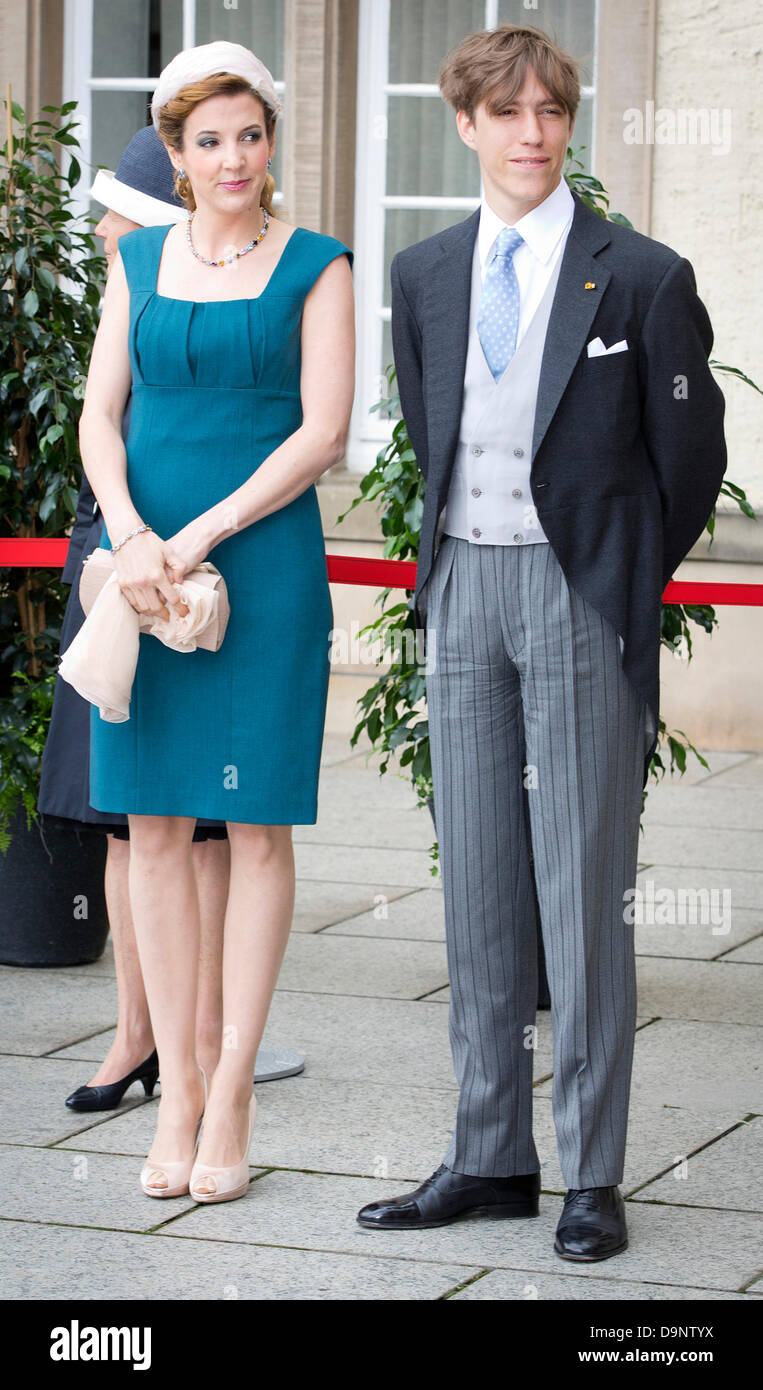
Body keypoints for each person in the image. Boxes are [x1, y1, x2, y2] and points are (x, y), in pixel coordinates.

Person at [356, 24, 726, 1260]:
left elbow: (689, 465)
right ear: (465, 125)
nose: (532, 133)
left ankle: (593, 1175)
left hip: (577, 600)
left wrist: (615, 577)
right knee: (477, 896)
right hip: (462, 589)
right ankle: (489, 1156)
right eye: (507, 113)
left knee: (582, 897)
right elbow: (434, 422)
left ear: (566, 123)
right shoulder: (424, 271)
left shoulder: (639, 277)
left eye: (549, 112)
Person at [78, 40, 355, 1203]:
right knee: (148, 827)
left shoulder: (319, 264)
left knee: (252, 833)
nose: (233, 157)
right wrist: (133, 538)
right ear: (177, 155)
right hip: (141, 573)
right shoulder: (135, 261)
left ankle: (232, 1080)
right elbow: (101, 415)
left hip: (267, 568)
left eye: (249, 134)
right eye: (208, 140)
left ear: (269, 141)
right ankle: (176, 1087)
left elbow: (323, 433)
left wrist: (198, 536)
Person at [37, 125, 232, 1108]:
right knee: (120, 822)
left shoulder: (213, 298)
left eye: (120, 207)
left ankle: (201, 1044)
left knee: (194, 827)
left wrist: (170, 548)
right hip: (111, 553)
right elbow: (97, 428)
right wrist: (114, 545)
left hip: (190, 556)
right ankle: (134, 1039)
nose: (102, 222)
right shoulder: (121, 300)